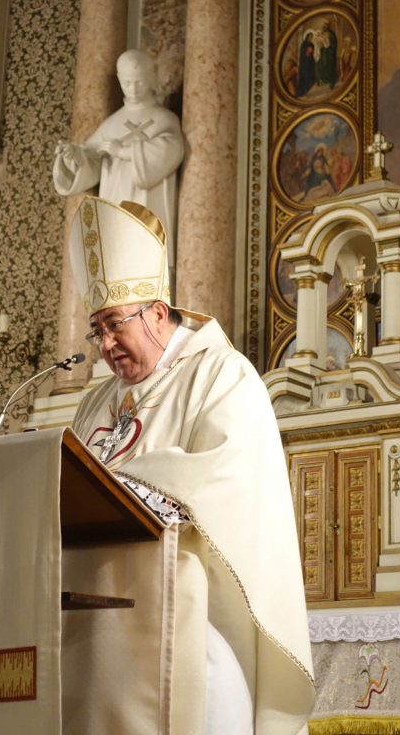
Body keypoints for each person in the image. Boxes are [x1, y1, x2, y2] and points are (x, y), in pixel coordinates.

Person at [65, 196, 315, 734]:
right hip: (95, 628)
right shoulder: (95, 402)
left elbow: (228, 479)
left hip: (191, 626)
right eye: (97, 330)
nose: (105, 345)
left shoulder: (223, 375)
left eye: (114, 325)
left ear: (157, 313)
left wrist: (118, 487)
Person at [53, 48, 185, 267]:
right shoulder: (112, 123)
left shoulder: (164, 118)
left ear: (151, 78)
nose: (133, 89)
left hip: (147, 202)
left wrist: (124, 152)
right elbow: (91, 157)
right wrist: (73, 156)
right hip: (116, 198)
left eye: (139, 82)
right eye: (127, 83)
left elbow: (172, 148)